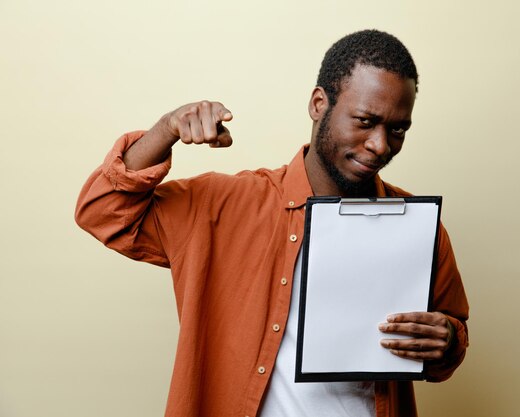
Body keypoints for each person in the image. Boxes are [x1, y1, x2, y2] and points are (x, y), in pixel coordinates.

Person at [75, 29, 469, 417]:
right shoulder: (221, 205)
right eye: (365, 121)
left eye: (397, 129)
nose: (381, 145)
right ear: (319, 104)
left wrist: (446, 339)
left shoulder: (419, 228)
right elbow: (102, 210)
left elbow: (449, 342)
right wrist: (166, 130)